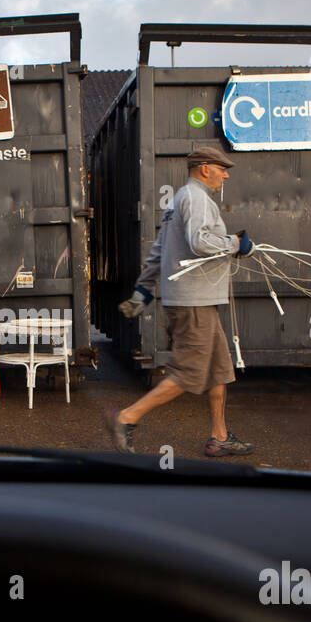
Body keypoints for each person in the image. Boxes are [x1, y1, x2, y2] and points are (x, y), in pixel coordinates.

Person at [104, 146, 255, 457]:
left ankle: (219, 436)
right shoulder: (197, 198)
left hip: (196, 301)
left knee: (218, 369)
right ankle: (125, 418)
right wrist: (236, 244)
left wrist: (142, 292)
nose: (225, 174)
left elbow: (159, 251)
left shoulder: (178, 201)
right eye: (221, 168)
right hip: (194, 303)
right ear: (204, 169)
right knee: (186, 374)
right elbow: (200, 243)